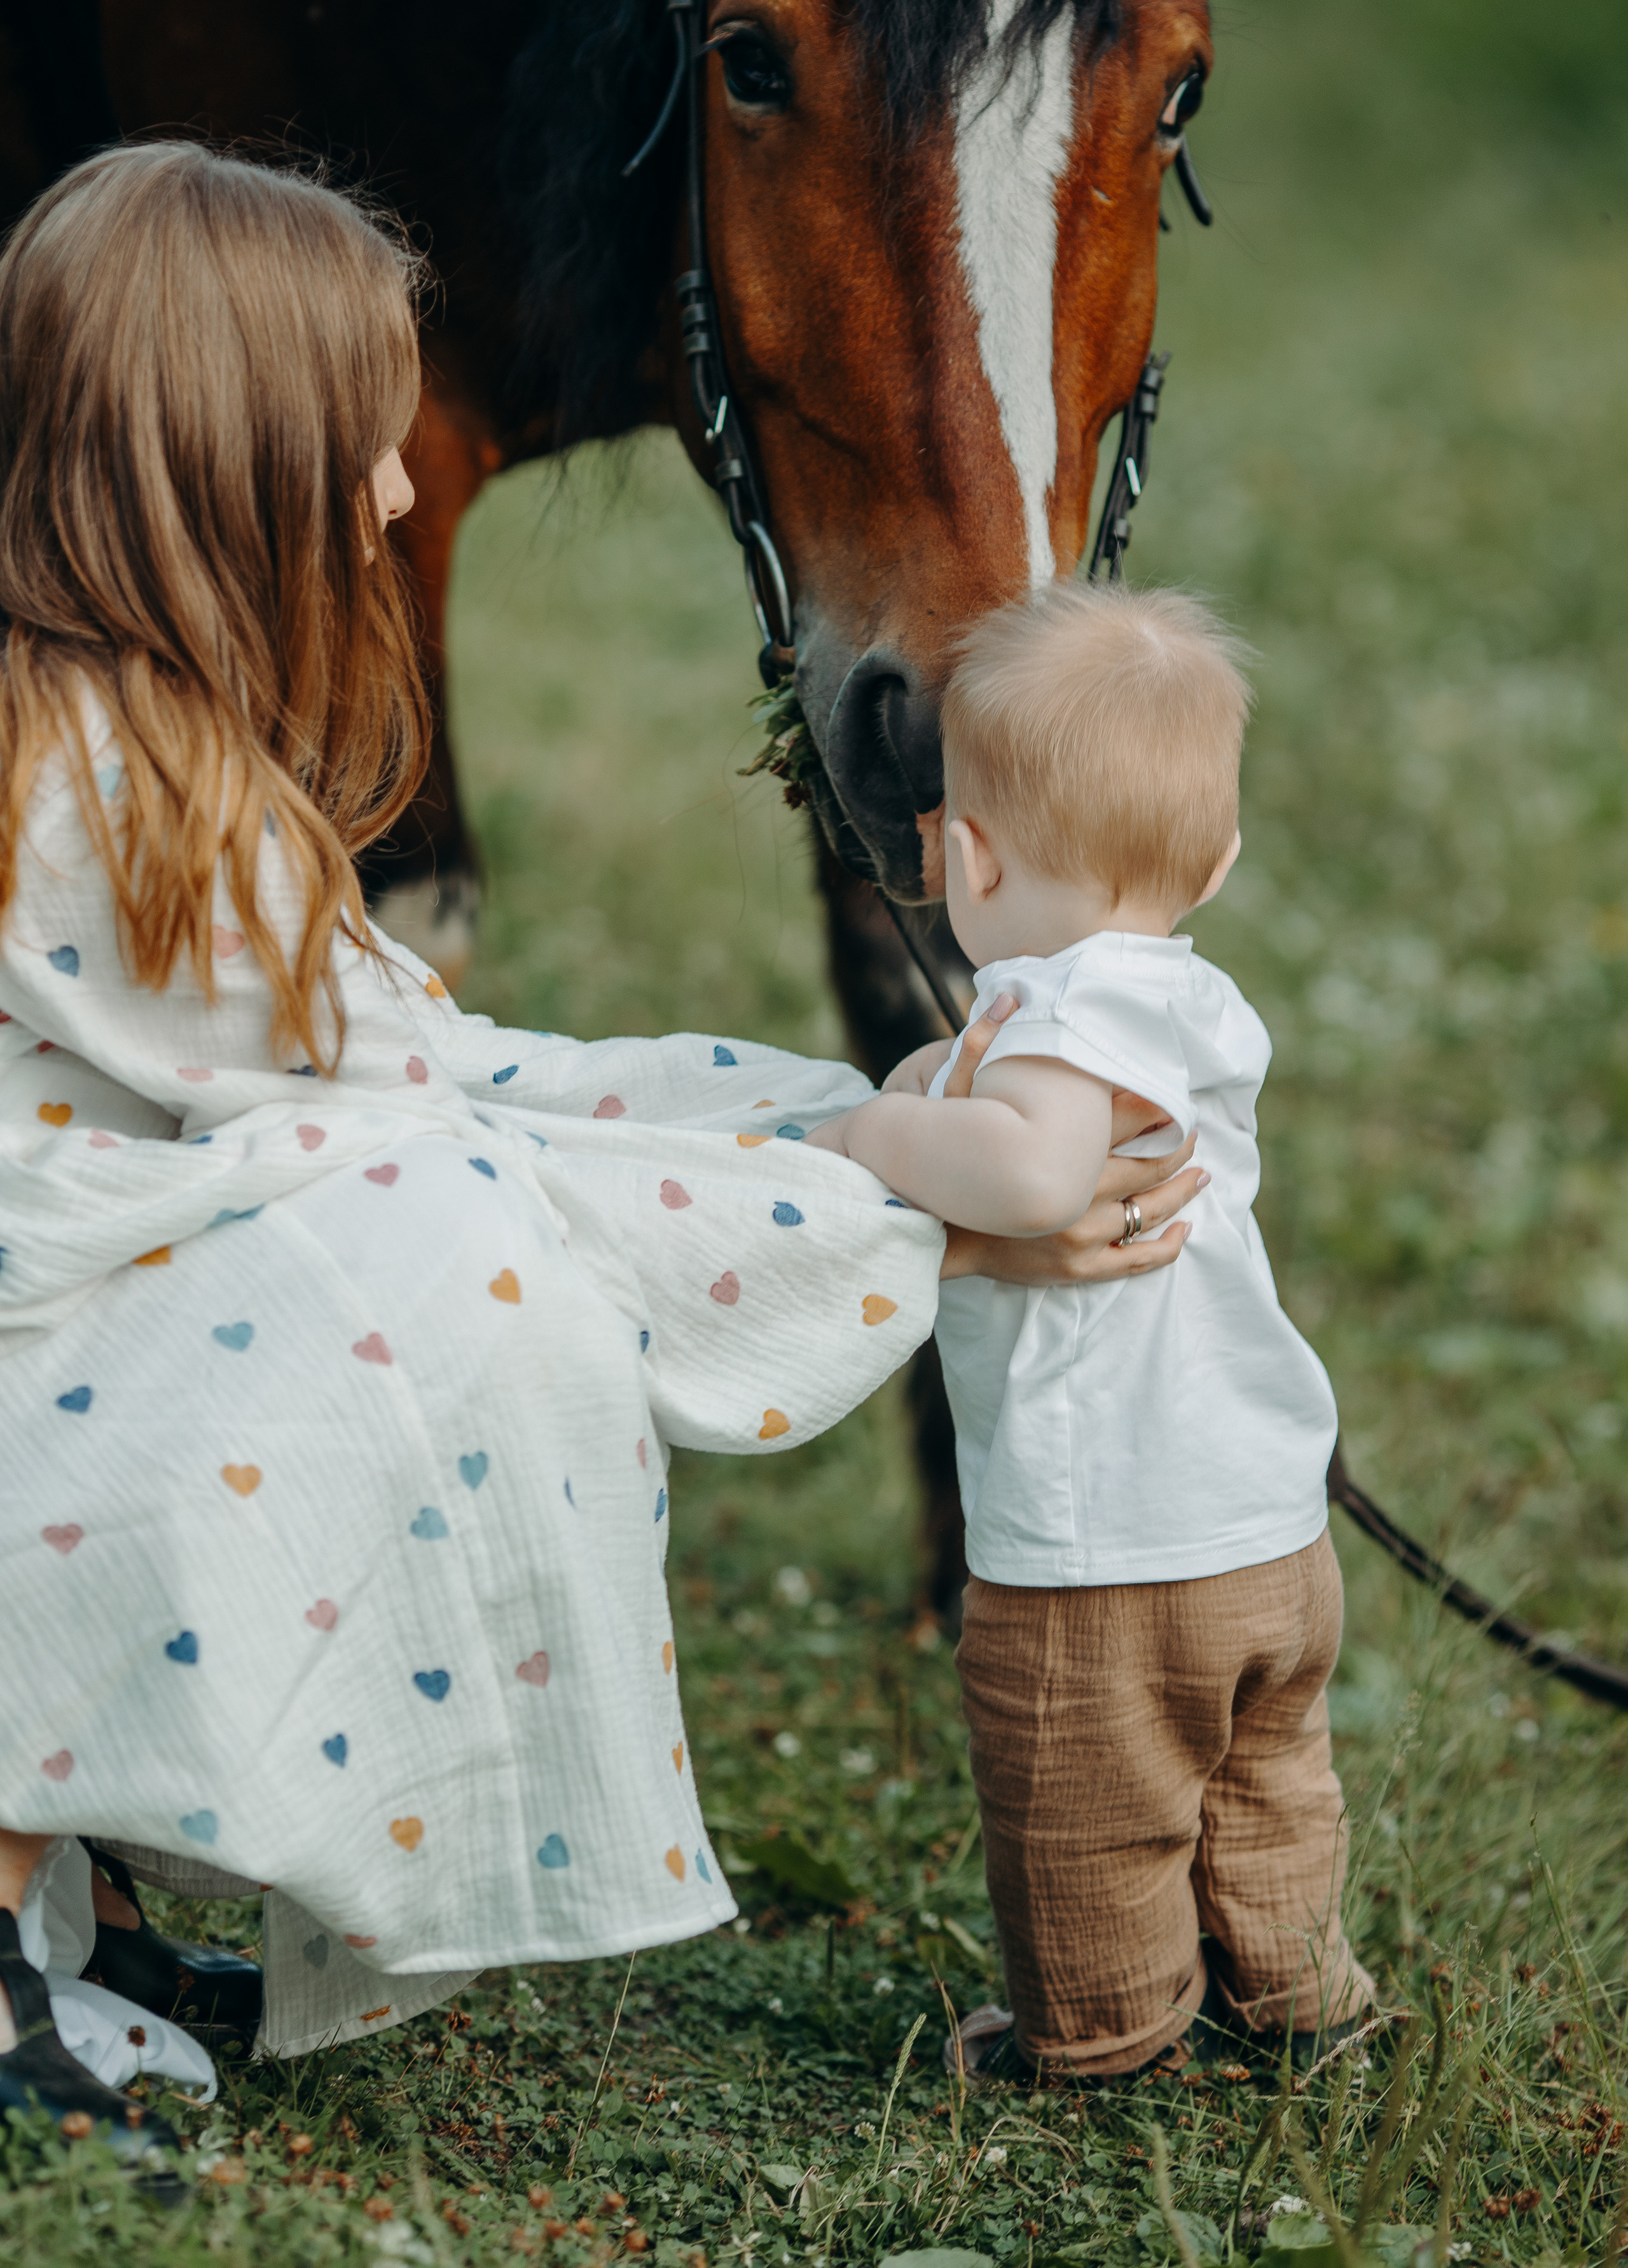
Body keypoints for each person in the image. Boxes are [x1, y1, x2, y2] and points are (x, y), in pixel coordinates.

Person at [0, 142, 1207, 2175]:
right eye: (370, 454)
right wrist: (912, 1210)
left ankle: (74, 1906)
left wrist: (855, 1129)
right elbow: (440, 1134)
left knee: (425, 1219)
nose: (403, 498)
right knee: (424, 1256)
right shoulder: (91, 793)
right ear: (231, 475)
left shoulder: (134, 747)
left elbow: (460, 1063)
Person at [810, 581, 1374, 2084]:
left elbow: (1037, 1169)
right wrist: (955, 1075)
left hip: (1105, 1548)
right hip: (1261, 1522)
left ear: (966, 854)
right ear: (1221, 853)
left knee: (1087, 1805)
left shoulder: (1057, 1017)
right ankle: (1294, 2000)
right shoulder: (1181, 1000)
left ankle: (1103, 2038)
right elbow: (1009, 1088)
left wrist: (880, 1130)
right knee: (1266, 1790)